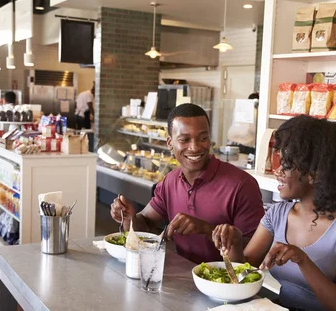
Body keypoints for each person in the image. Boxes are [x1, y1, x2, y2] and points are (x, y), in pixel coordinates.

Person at [212, 115, 336, 311]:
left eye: (286, 164)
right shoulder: (278, 214)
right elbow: (242, 276)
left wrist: (302, 260)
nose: (277, 170)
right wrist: (235, 244)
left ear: (315, 173)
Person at [110, 103, 265, 264]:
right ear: (170, 143)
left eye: (203, 138)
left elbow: (253, 258)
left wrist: (206, 229)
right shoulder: (170, 181)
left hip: (227, 285)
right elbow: (145, 223)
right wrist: (128, 217)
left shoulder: (242, 185)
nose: (195, 147)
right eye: (184, 139)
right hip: (182, 280)